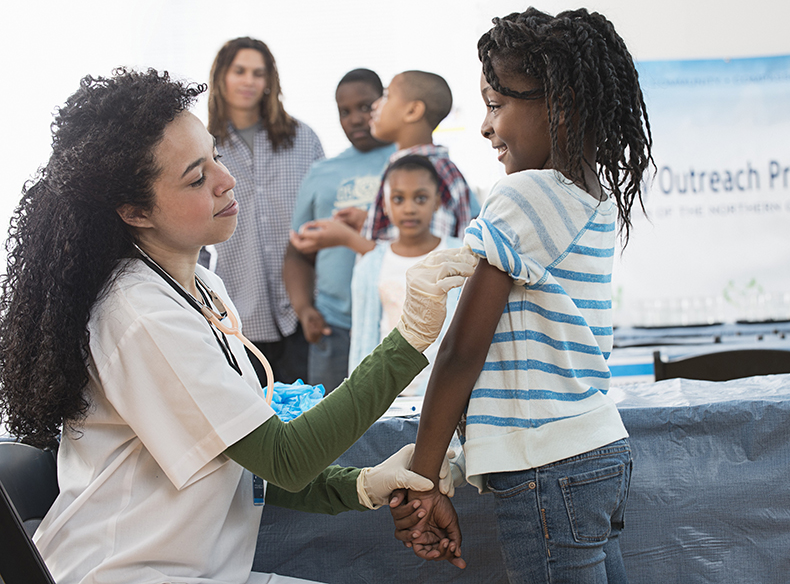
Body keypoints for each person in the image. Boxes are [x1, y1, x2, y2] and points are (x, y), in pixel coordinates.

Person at [0, 68, 477, 584]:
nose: (227, 181)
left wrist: (361, 484)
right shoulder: (139, 316)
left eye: (216, 158)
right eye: (196, 177)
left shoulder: (203, 288)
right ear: (135, 210)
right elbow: (285, 458)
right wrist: (409, 339)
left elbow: (252, 467)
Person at [391, 8, 654, 583]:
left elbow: (465, 348)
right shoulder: (591, 197)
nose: (486, 128)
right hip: (595, 452)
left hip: (548, 468)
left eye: (495, 104)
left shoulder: (526, 195)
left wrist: (426, 473)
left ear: (561, 103)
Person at [207, 36, 323, 387]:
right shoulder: (203, 144)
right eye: (239, 71)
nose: (249, 81)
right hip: (235, 313)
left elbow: (325, 216)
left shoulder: (303, 138)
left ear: (269, 81)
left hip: (305, 311)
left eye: (258, 73)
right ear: (221, 77)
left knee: (311, 420)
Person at [283, 69, 395, 393]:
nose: (356, 119)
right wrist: (304, 309)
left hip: (396, 322)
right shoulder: (322, 173)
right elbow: (297, 252)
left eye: (365, 107)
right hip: (335, 330)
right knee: (330, 436)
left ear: (385, 101)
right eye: (344, 112)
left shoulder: (409, 161)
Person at [290, 70, 478, 257]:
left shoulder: (429, 174)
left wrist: (347, 238)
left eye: (386, 96)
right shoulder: (410, 166)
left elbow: (423, 261)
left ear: (412, 111)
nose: (375, 106)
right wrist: (367, 221)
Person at [349, 155, 463, 397]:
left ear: (437, 202)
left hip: (444, 392)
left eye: (420, 198)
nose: (409, 208)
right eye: (398, 199)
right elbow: (361, 340)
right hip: (385, 394)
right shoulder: (369, 266)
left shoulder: (458, 257)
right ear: (385, 205)